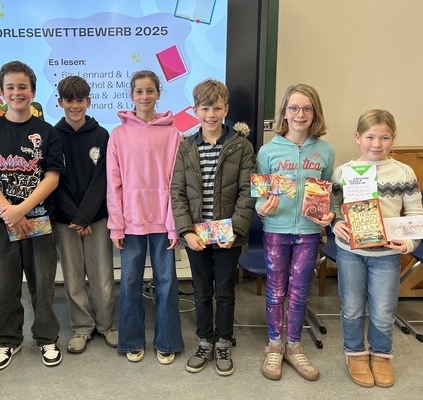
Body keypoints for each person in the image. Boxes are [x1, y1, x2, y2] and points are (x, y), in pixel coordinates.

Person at [0, 61, 65, 370]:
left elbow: (52, 177)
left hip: (39, 221)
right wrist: (8, 211)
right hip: (2, 223)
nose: (16, 92)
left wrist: (21, 210)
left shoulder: (47, 132)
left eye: (22, 87)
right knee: (4, 285)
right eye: (10, 87)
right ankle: (7, 340)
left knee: (43, 284)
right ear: (1, 91)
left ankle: (47, 338)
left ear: (33, 92)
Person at [331, 109, 423, 388]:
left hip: (387, 255)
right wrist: (336, 223)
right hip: (350, 252)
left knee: (383, 310)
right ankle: (355, 354)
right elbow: (334, 207)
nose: (377, 144)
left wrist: (409, 242)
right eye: (370, 137)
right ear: (358, 137)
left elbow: (415, 212)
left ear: (393, 139)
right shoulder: (343, 172)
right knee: (352, 307)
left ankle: (382, 356)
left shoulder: (403, 172)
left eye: (384, 137)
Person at [171, 79, 255, 376]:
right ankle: (204, 341)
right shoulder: (186, 147)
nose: (211, 114)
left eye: (217, 108)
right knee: (201, 291)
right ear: (195, 110)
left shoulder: (241, 146)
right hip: (197, 235)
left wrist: (236, 230)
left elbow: (247, 192)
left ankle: (223, 342)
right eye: (205, 108)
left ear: (226, 109)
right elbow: (177, 193)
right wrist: (186, 232)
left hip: (227, 236)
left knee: (226, 291)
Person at [255, 84, 335, 381]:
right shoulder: (268, 151)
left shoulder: (326, 151)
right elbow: (260, 196)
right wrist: (262, 209)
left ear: (315, 113)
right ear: (284, 113)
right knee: (276, 291)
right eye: (294, 108)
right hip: (276, 231)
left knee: (300, 291)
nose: (300, 114)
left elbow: (330, 193)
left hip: (309, 232)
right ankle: (275, 345)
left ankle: (294, 346)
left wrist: (329, 214)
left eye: (306, 108)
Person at [106, 70, 184, 364]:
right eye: (139, 91)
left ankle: (167, 341)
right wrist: (116, 225)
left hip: (164, 222)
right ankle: (131, 340)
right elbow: (113, 184)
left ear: (158, 94)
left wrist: (174, 226)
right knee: (129, 283)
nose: (145, 96)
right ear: (132, 95)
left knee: (167, 281)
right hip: (130, 222)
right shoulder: (119, 135)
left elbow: (176, 183)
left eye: (150, 90)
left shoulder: (173, 134)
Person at [53, 76, 117, 354]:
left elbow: (103, 179)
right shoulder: (52, 135)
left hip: (97, 218)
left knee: (102, 273)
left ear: (89, 101)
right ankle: (81, 326)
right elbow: (54, 180)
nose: (75, 105)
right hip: (65, 219)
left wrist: (86, 217)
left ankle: (106, 325)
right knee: (73, 275)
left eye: (80, 100)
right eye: (69, 100)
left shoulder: (102, 135)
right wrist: (75, 217)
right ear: (60, 102)